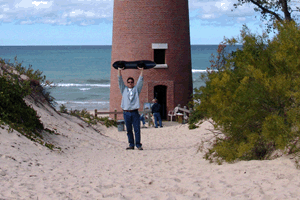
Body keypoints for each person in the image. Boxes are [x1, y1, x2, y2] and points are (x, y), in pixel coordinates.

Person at [118, 64, 144, 150]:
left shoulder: (136, 89)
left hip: (135, 112)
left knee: (137, 129)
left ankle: (138, 145)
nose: (130, 83)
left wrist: (142, 70)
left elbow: (140, 81)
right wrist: (119, 70)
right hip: (126, 113)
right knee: (129, 130)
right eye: (128, 82)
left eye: (131, 82)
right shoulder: (124, 89)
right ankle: (131, 144)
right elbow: (120, 81)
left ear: (133, 83)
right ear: (127, 83)